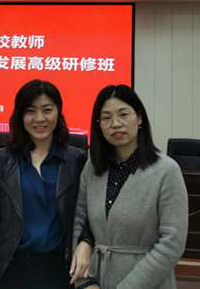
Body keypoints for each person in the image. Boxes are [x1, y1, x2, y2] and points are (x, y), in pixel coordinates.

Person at [0, 79, 89, 289]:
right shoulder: (2, 161)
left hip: (58, 272)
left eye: (47, 110)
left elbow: (87, 218)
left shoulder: (76, 161)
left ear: (58, 113)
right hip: (9, 271)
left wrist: (86, 243)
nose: (39, 118)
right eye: (30, 111)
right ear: (20, 116)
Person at [70, 84, 188, 289]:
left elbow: (172, 244)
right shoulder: (93, 167)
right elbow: (78, 224)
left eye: (123, 115)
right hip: (96, 281)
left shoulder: (167, 171)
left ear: (139, 118)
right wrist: (84, 283)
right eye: (106, 118)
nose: (116, 124)